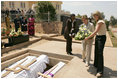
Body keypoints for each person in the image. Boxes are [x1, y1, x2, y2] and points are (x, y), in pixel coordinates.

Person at [84, 11, 107, 77]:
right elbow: (96, 33)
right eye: (94, 16)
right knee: (96, 51)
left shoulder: (100, 22)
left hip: (101, 38)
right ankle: (96, 64)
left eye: (95, 15)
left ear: (98, 15)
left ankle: (100, 71)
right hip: (98, 37)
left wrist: (87, 37)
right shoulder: (98, 21)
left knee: (100, 53)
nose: (94, 17)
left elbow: (95, 31)